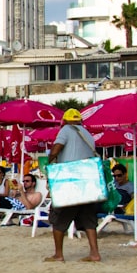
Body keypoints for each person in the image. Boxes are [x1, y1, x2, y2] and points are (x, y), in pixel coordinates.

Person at [45, 108, 102, 262]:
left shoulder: (66, 130)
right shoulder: (88, 135)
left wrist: (49, 161)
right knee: (89, 218)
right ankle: (94, 253)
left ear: (65, 120)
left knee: (59, 218)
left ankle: (58, 254)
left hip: (70, 180)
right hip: (88, 182)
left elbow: (57, 147)